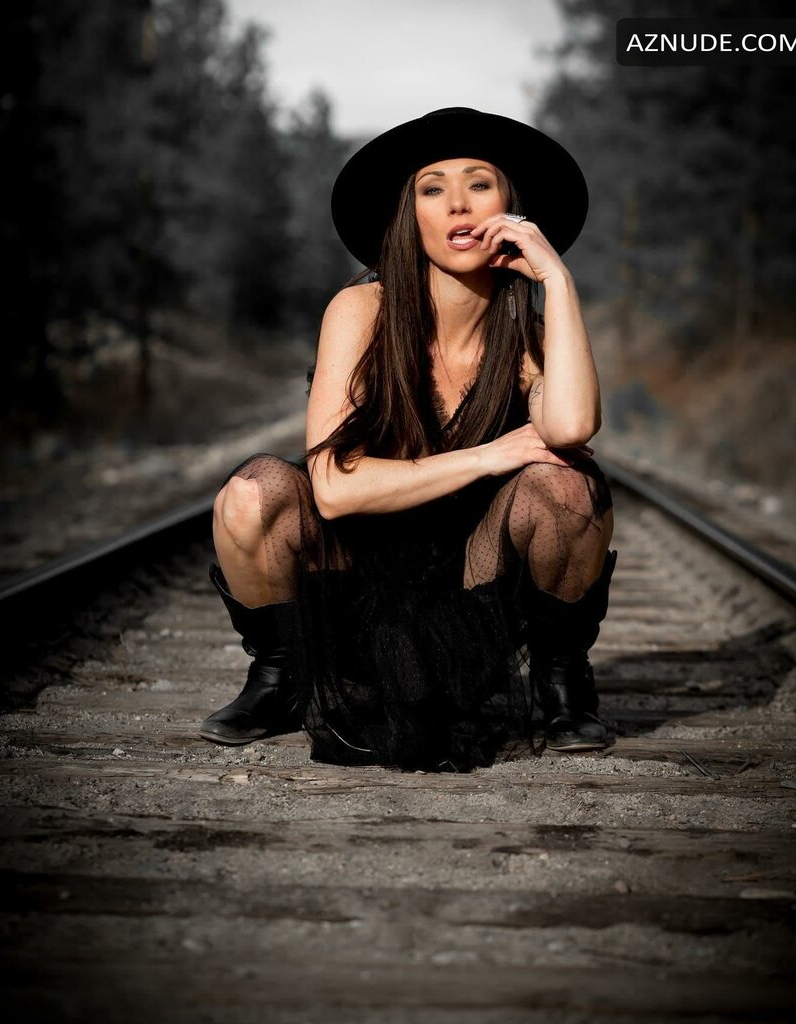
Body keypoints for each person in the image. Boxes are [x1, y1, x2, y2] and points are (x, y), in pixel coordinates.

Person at [199, 106, 618, 772]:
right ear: (409, 214)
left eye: (479, 183)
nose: (458, 203)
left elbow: (570, 428)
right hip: (358, 581)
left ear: (510, 206)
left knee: (569, 487)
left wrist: (556, 280)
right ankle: (278, 678)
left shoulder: (528, 340)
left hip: (473, 589)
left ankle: (561, 682)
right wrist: (491, 454)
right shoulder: (361, 311)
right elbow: (333, 490)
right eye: (432, 188)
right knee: (252, 494)